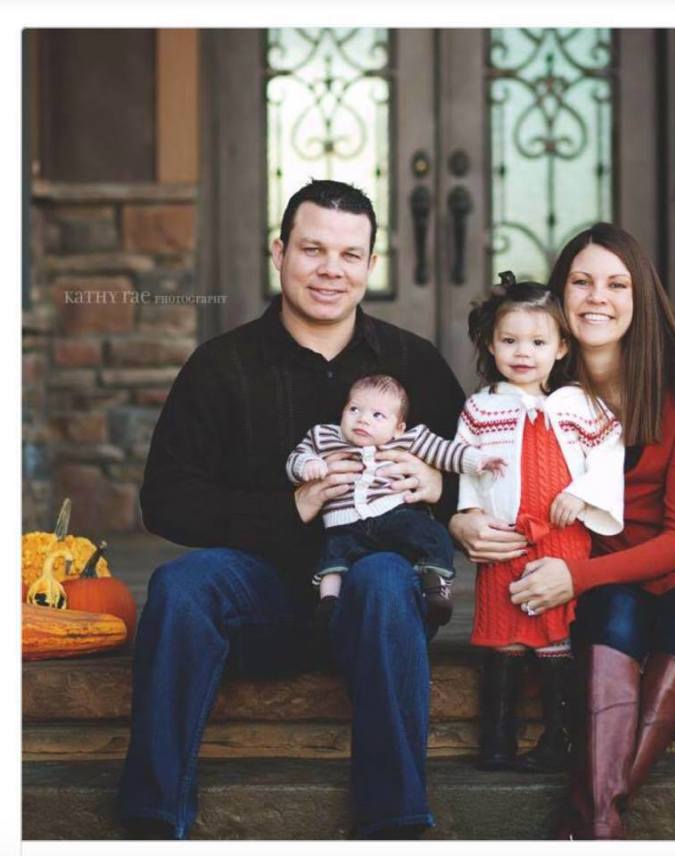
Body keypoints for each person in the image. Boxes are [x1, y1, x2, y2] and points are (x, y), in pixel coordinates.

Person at [117, 179, 467, 840]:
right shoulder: (222, 365)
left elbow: (476, 476)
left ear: (369, 265)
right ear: (279, 252)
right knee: (180, 585)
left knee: (386, 576)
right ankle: (152, 818)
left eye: (348, 255)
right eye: (312, 249)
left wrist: (435, 489)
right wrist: (296, 503)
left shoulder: (412, 364)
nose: (330, 270)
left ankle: (395, 825)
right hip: (266, 598)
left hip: (377, 606)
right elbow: (165, 499)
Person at [449, 224, 675, 840]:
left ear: (641, 299)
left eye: (616, 283)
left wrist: (575, 576)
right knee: (614, 617)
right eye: (580, 282)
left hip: (656, 569)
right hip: (590, 578)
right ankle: (599, 825)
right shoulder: (534, 383)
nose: (597, 297)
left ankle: (592, 817)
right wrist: (462, 517)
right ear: (560, 297)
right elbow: (479, 465)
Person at [454, 271, 624, 774]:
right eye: (509, 340)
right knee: (504, 631)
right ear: (491, 343)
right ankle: (497, 739)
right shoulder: (482, 408)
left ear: (561, 346)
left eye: (537, 341)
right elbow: (466, 463)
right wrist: (470, 513)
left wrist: (581, 493)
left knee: (554, 632)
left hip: (561, 535)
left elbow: (609, 456)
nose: (522, 352)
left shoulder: (580, 406)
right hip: (506, 537)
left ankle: (558, 738)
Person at [286, 373, 505, 628]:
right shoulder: (323, 436)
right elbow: (296, 458)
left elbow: (445, 452)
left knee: (430, 533)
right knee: (332, 557)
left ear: (398, 427)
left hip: (392, 515)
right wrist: (307, 465)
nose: (363, 419)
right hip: (342, 522)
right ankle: (328, 603)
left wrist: (478, 461)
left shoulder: (408, 439)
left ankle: (435, 585)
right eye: (354, 409)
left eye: (378, 415)